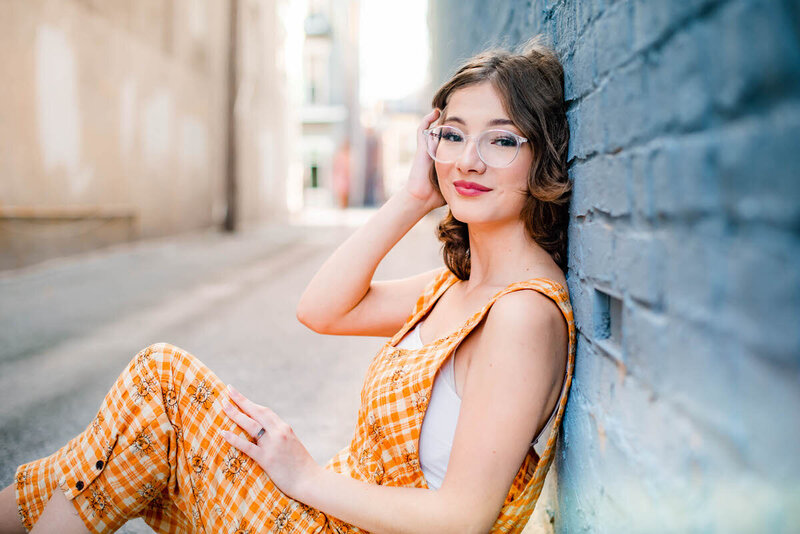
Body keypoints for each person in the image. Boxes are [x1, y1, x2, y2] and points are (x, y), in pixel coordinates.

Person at [0, 34, 574, 534]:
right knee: (133, 432)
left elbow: (463, 519)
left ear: (541, 156)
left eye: (501, 141)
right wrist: (413, 198)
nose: (468, 160)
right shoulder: (459, 287)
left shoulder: (521, 314)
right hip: (331, 519)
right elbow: (322, 310)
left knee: (159, 388)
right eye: (452, 136)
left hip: (336, 520)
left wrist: (304, 475)